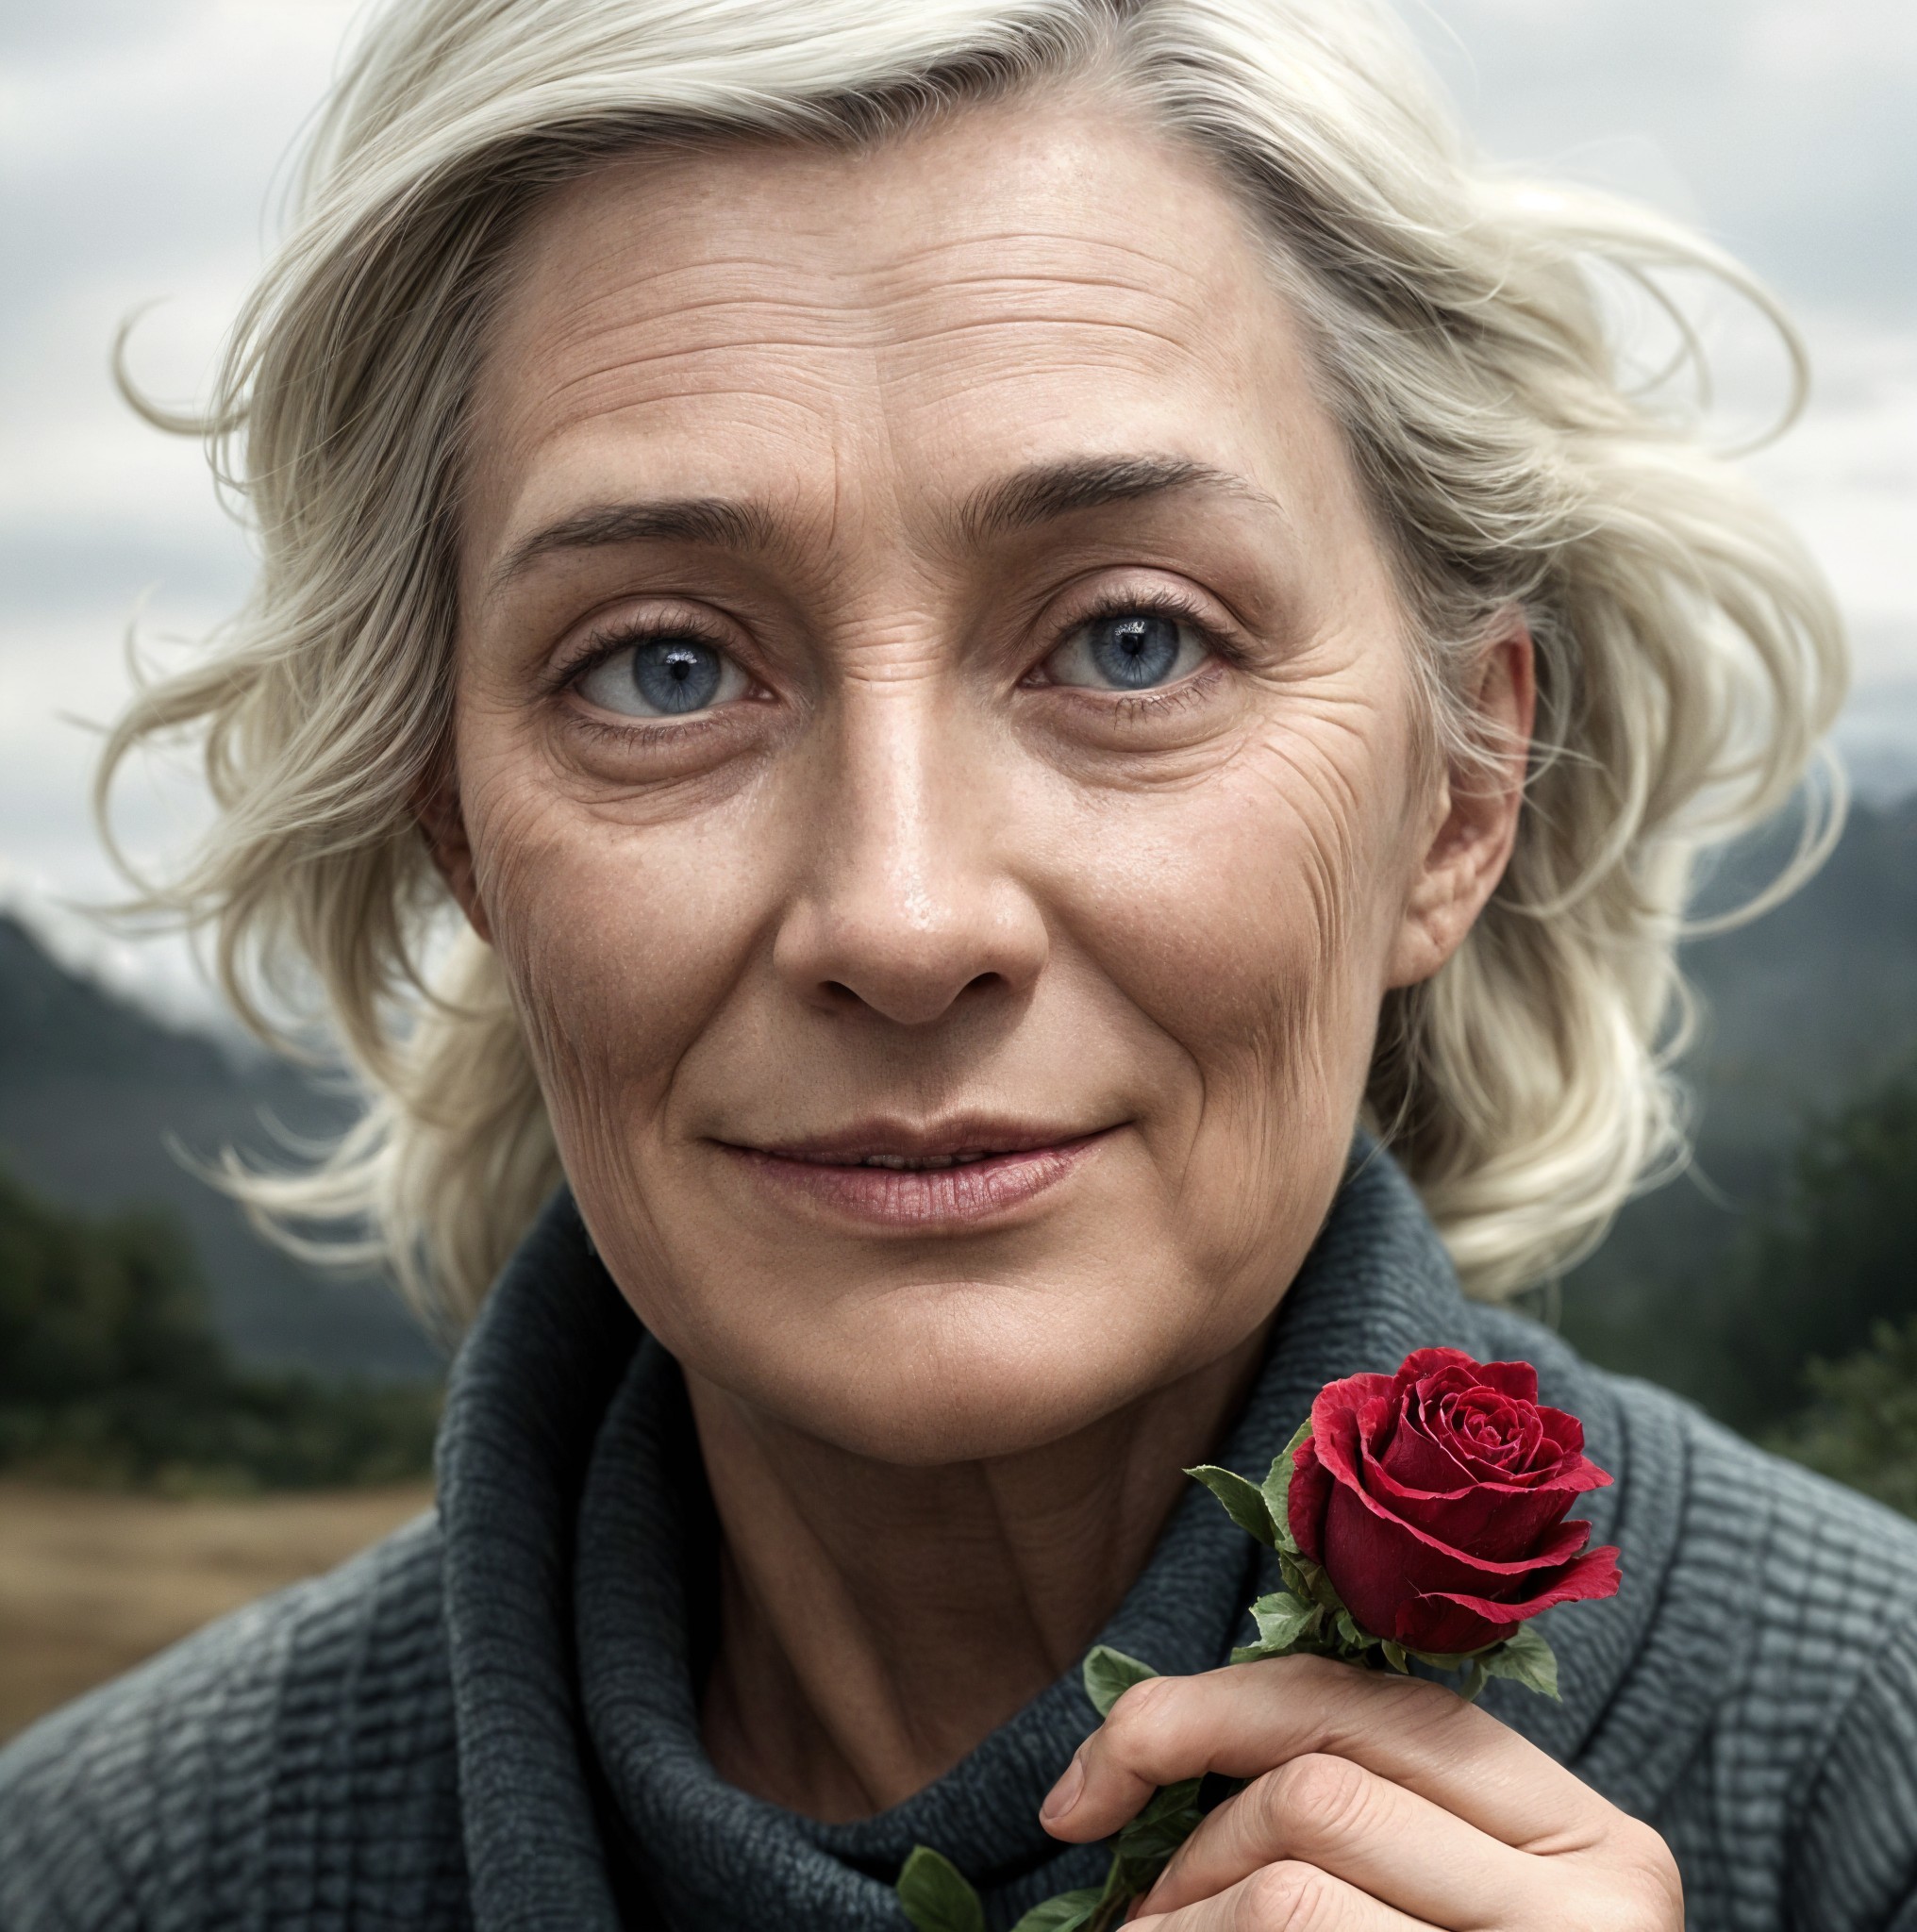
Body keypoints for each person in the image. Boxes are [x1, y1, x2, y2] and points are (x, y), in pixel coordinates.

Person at [3, 0, 1912, 1926]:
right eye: (663, 667)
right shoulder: (105, 1874)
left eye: (1130, 642)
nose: (903, 920)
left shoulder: (1865, 1786)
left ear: (1457, 791)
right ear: (460, 836)